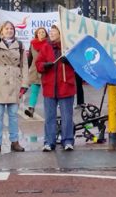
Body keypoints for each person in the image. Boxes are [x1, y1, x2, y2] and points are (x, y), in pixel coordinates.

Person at [0, 21, 28, 153]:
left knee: (14, 115)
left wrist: (25, 84)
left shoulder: (20, 45)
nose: (9, 30)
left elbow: (24, 65)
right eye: (6, 28)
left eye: (11, 28)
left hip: (14, 82)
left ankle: (14, 141)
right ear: (2, 31)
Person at [36, 24, 76, 152]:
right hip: (50, 87)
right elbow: (38, 63)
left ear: (60, 33)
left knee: (67, 116)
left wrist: (69, 61)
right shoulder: (46, 47)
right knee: (49, 117)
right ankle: (49, 141)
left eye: (54, 31)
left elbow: (78, 63)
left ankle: (68, 140)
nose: (51, 33)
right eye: (51, 31)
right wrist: (44, 66)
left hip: (65, 85)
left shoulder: (68, 48)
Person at [25, 27, 48, 118]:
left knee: (47, 92)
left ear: (46, 34)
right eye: (39, 32)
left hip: (46, 69)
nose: (41, 33)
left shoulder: (49, 44)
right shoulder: (32, 44)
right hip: (35, 70)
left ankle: (49, 109)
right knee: (34, 91)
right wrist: (26, 69)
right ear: (36, 34)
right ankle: (31, 109)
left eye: (43, 32)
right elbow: (30, 58)